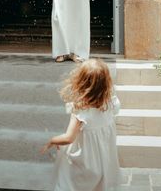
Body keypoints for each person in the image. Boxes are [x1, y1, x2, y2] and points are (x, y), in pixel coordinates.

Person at [41, 59, 121, 191]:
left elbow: (69, 138)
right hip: (103, 160)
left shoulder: (81, 112)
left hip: (84, 161)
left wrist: (52, 140)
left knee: (69, 183)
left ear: (81, 83)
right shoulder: (112, 103)